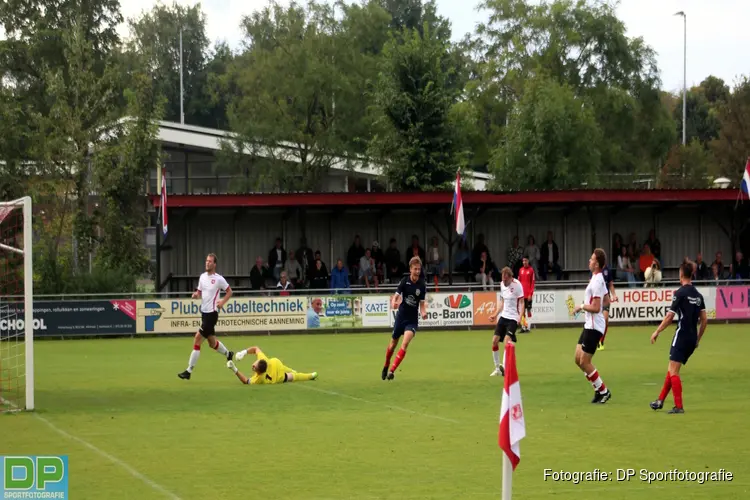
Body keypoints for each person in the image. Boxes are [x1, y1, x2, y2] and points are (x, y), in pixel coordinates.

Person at [649, 262, 708, 414]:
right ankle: (660, 400)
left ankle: (678, 406)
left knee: (673, 371)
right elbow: (704, 320)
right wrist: (697, 339)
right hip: (691, 338)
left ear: (681, 275)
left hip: (681, 336)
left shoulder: (680, 293)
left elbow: (669, 317)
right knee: (672, 369)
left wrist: (657, 331)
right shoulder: (698, 295)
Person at [178, 254, 234, 380]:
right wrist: (195, 295)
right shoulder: (202, 277)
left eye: (210, 261)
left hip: (212, 314)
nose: (207, 263)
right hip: (204, 313)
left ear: (214, 264)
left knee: (197, 338)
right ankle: (228, 353)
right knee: (212, 343)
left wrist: (222, 302)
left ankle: (189, 370)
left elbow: (229, 291)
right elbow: (199, 293)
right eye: (206, 261)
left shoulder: (219, 279)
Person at [573, 249, 612, 404]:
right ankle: (598, 389)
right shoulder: (597, 278)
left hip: (594, 327)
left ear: (596, 264)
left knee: (584, 362)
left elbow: (596, 307)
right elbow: (607, 300)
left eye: (591, 259)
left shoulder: (596, 281)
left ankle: (603, 391)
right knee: (578, 358)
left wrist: (582, 306)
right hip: (590, 324)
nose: (589, 261)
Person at [382, 257, 428, 381]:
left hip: (412, 320)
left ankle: (392, 371)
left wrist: (424, 313)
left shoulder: (422, 285)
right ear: (410, 269)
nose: (417, 271)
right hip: (401, 318)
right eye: (415, 269)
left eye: (419, 269)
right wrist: (393, 304)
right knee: (392, 345)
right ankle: (386, 365)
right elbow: (395, 297)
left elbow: (422, 305)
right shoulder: (404, 281)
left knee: (405, 343)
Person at [487, 267, 525, 377]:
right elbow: (502, 302)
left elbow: (522, 302)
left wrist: (520, 317)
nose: (504, 282)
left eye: (505, 280)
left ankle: (505, 367)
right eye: (503, 279)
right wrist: (495, 314)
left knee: (507, 341)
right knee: (494, 341)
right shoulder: (502, 284)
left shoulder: (517, 285)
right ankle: (498, 369)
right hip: (504, 316)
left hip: (513, 318)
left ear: (510, 277)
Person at [227, 346, 317, 385]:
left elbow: (246, 381)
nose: (253, 366)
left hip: (279, 376)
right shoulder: (263, 360)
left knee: (293, 376)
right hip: (277, 365)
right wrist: (244, 352)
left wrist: (234, 369)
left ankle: (309, 376)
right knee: (293, 373)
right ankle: (310, 375)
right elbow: (255, 349)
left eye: (254, 366)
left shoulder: (259, 379)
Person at [597, 261, 618, 350]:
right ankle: (595, 339)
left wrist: (614, 295)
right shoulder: (595, 269)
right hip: (597, 299)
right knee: (598, 321)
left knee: (605, 320)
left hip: (606, 299)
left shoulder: (607, 270)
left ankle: (601, 341)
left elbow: (611, 284)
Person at [517, 257, 535, 332]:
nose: (524, 262)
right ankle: (523, 327)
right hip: (521, 295)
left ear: (528, 261)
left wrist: (530, 294)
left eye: (525, 260)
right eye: (523, 261)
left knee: (529, 310)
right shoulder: (520, 270)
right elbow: (518, 282)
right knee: (522, 311)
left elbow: (532, 283)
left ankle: (528, 327)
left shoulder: (531, 270)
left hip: (528, 295)